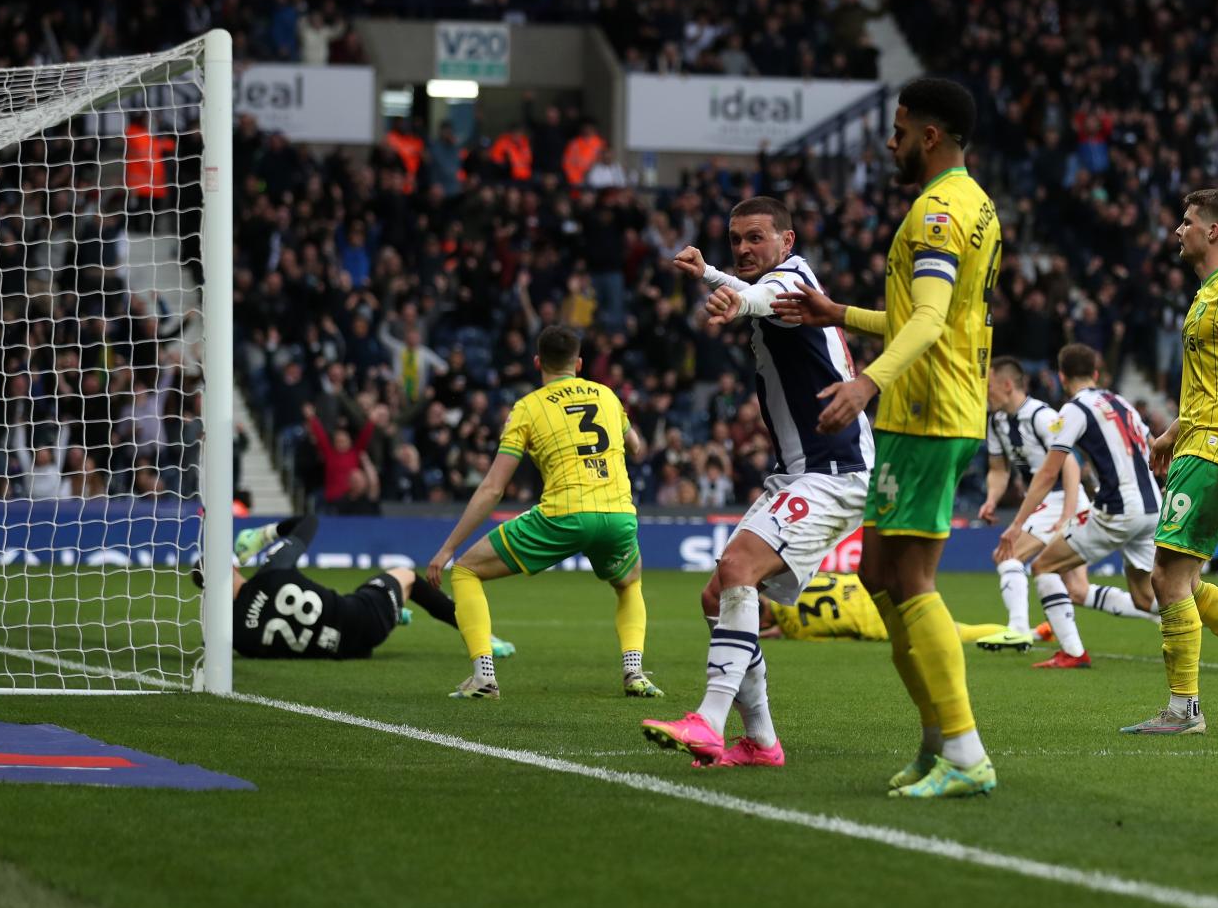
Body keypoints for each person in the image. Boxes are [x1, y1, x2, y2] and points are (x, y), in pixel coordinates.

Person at [777, 78, 1000, 798]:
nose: (889, 140)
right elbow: (925, 314)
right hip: (926, 407)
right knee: (876, 577)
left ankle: (965, 752)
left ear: (928, 135)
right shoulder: (973, 202)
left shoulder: (936, 212)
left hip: (929, 410)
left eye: (899, 128)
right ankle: (938, 743)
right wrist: (836, 311)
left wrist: (867, 381)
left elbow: (929, 321)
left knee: (910, 582)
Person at [640, 195, 872, 769]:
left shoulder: (788, 285)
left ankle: (709, 721)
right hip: (801, 472)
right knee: (717, 595)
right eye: (735, 239)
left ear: (786, 242)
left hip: (834, 469)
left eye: (756, 238)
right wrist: (710, 275)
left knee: (739, 568)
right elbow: (756, 288)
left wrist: (733, 299)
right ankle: (762, 741)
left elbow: (764, 296)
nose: (743, 248)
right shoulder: (787, 276)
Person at [426, 325, 661, 700]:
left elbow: (493, 488)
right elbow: (637, 447)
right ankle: (634, 672)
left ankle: (484, 677)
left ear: (538, 362)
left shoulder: (528, 407)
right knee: (629, 583)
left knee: (467, 569)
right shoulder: (606, 395)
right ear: (579, 363)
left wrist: (447, 548)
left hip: (563, 513)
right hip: (618, 513)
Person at [1121, 189, 1218, 734]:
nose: (1177, 230)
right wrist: (1167, 434)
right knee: (1184, 579)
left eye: (1187, 222)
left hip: (1214, 451)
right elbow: (1215, 388)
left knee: (1167, 577)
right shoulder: (1208, 294)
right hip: (1196, 441)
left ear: (1213, 232)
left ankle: (1184, 710)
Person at [976, 356, 1157, 653]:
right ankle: (1167, 615)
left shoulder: (1042, 416)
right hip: (1045, 503)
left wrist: (1067, 513)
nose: (985, 392)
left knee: (1009, 555)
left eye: (989, 385)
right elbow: (998, 469)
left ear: (1007, 384)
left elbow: (1069, 464)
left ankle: (1018, 629)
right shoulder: (996, 421)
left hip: (1060, 498)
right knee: (1077, 591)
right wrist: (991, 500)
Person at [195, 516, 514, 660]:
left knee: (363, 596)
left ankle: (396, 611)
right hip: (363, 619)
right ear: (232, 567)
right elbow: (307, 522)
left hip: (344, 648)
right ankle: (480, 635)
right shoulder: (272, 571)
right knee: (406, 576)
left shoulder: (236, 635)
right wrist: (263, 537)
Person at [760, 572, 1006, 644]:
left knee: (952, 633)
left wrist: (785, 631)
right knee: (944, 624)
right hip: (873, 587)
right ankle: (1021, 631)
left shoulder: (796, 630)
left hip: (876, 621)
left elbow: (842, 637)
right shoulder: (793, 586)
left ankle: (1020, 633)